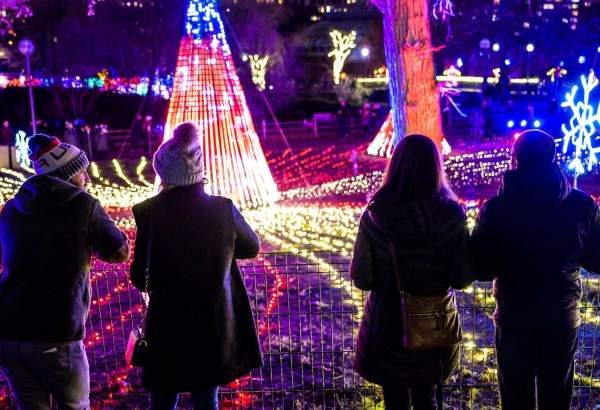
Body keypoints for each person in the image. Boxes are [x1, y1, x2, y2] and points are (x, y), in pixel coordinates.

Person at [130, 122, 262, 410]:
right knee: (206, 399)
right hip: (211, 323)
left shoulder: (147, 213)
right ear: (199, 171)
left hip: (166, 325)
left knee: (163, 400)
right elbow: (252, 246)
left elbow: (140, 277)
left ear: (163, 172)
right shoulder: (222, 208)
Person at [470, 130, 600, 409]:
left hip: (515, 317)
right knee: (557, 394)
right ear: (553, 157)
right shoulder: (581, 205)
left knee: (516, 397)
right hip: (561, 315)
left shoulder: (497, 209)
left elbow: (480, 268)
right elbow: (596, 259)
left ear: (515, 160)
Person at [0, 133, 130, 409]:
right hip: (55, 334)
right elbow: (119, 252)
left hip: (9, 331)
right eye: (83, 171)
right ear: (68, 174)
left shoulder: (11, 208)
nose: (87, 179)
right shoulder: (83, 205)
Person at [350, 134, 472, 410]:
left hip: (388, 323)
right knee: (427, 400)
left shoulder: (376, 213)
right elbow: (462, 277)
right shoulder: (452, 214)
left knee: (394, 400)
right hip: (434, 325)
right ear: (435, 167)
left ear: (395, 166)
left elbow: (362, 276)